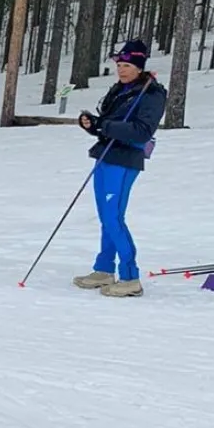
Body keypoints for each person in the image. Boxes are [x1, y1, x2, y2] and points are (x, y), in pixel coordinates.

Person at [73, 39, 167, 298]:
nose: (122, 70)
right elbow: (108, 123)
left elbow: (142, 131)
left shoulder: (151, 93)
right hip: (106, 155)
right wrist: (93, 125)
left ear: (139, 67)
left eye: (127, 65)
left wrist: (104, 126)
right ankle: (104, 269)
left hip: (125, 160)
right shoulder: (120, 89)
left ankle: (130, 276)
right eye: (120, 65)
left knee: (113, 217)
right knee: (106, 216)